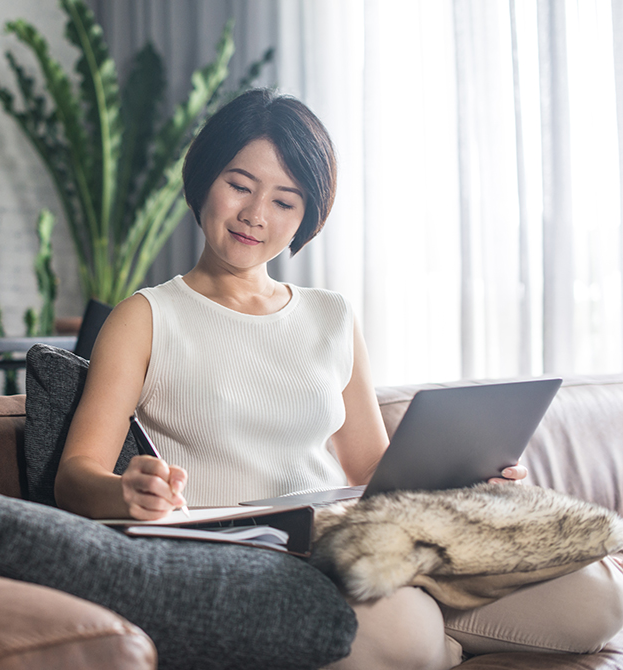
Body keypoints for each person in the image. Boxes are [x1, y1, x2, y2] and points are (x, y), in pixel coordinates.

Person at [53, 88, 623, 669]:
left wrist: (470, 483)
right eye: (240, 185)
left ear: (307, 215)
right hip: (254, 556)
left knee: (596, 598)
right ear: (203, 180)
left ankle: (433, 642)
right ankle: (433, 644)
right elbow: (75, 477)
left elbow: (371, 470)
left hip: (357, 539)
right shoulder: (146, 316)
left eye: (285, 200)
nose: (256, 214)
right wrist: (126, 491)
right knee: (405, 633)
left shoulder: (331, 314)